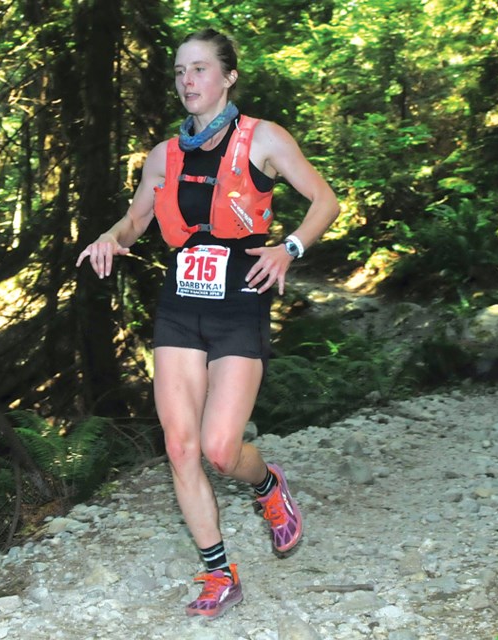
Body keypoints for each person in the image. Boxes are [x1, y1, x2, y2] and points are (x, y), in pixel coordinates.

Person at [76, 28, 339, 618]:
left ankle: (268, 486)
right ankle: (219, 573)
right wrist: (108, 239)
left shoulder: (263, 139)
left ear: (228, 77)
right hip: (179, 306)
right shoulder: (162, 156)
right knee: (179, 446)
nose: (187, 81)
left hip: (240, 302)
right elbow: (135, 220)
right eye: (179, 71)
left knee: (221, 450)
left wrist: (289, 248)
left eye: (199, 69)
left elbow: (325, 201)